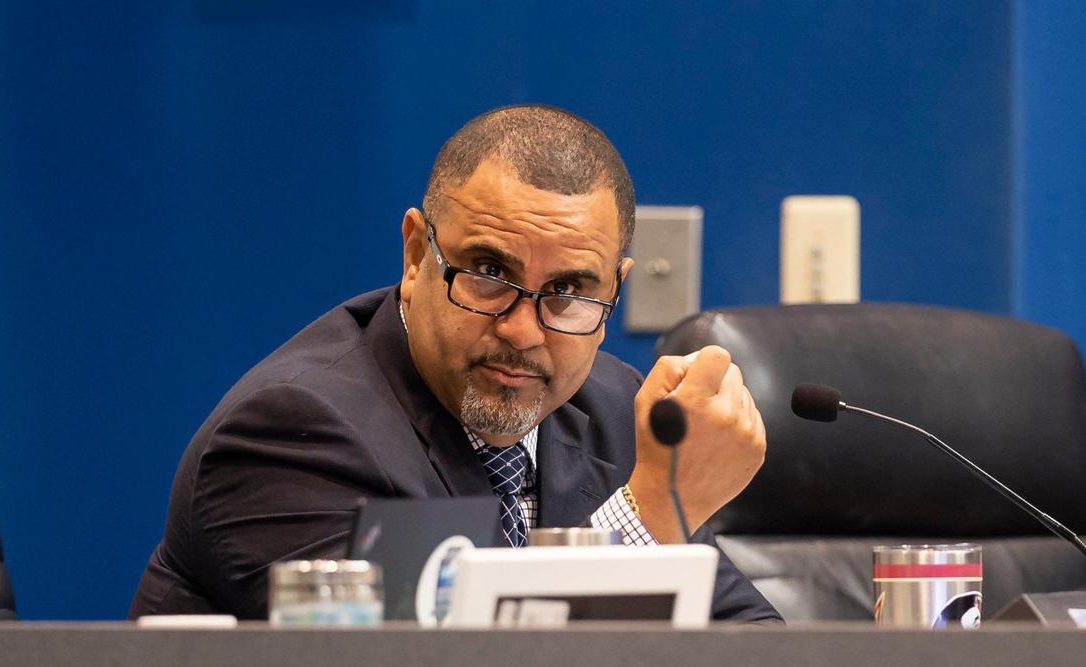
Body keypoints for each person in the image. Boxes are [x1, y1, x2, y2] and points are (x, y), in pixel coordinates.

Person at [130, 105, 781, 623]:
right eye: (490, 273)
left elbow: (751, 654)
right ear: (417, 257)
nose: (523, 330)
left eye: (569, 291)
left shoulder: (618, 411)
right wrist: (651, 520)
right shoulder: (290, 435)